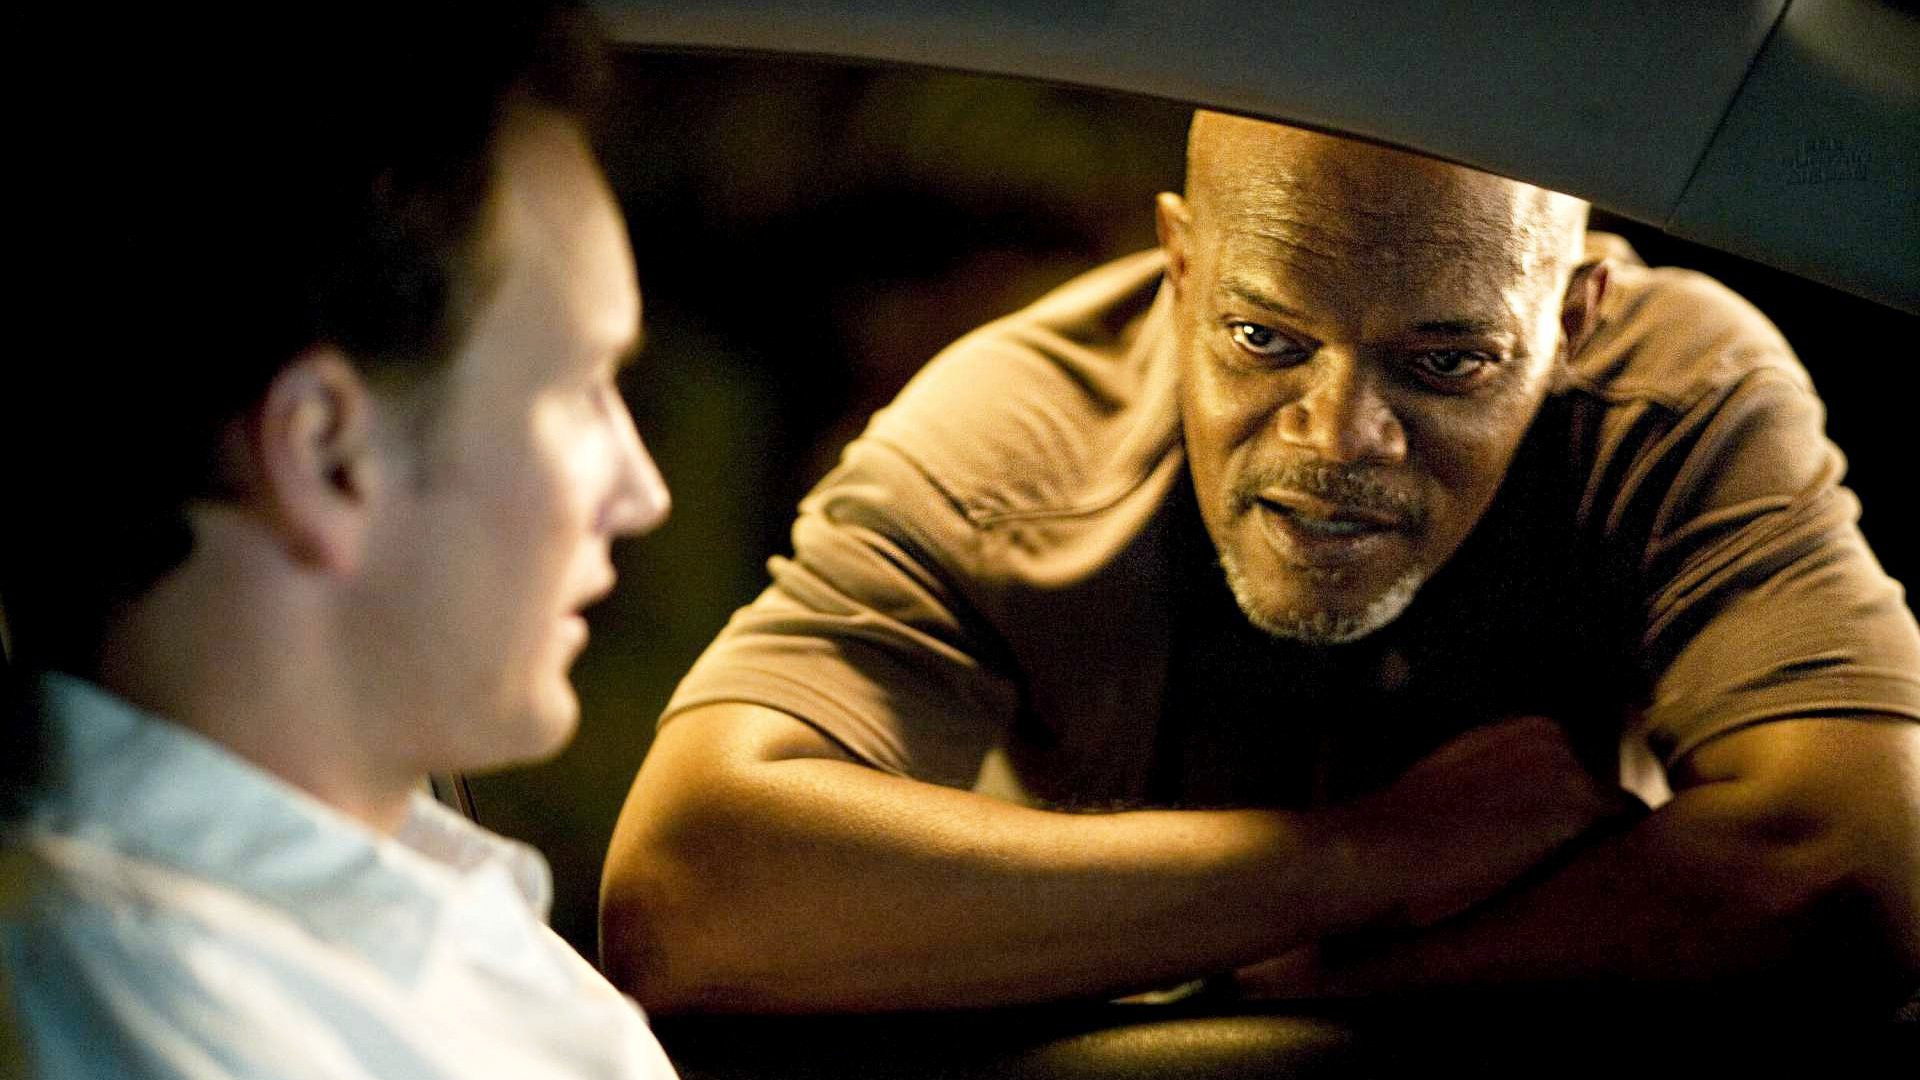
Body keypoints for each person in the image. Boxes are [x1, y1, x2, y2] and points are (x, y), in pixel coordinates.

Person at [601, 110, 1920, 1015]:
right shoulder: (1014, 437)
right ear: (1181, 268)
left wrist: (1307, 982)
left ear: (1572, 317)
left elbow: (1861, 864)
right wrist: (1370, 860)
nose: (1338, 437)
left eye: (1444, 362)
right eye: (1265, 339)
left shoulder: (1672, 395)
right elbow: (688, 894)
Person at [1, 5, 680, 1077]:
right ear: (328, 456)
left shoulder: (394, 904)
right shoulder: (137, 1003)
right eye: (583, 390)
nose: (643, 494)